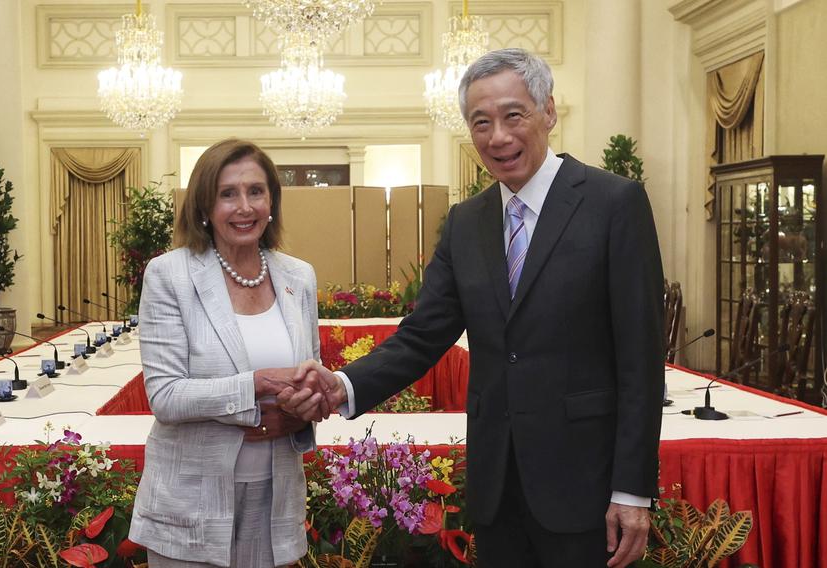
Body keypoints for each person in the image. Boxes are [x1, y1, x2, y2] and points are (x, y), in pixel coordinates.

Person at [281, 48, 665, 568]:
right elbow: (423, 335)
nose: (498, 137)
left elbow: (641, 362)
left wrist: (633, 492)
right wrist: (342, 386)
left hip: (586, 488)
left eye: (513, 115)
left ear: (548, 112)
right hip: (496, 488)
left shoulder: (613, 204)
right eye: (480, 122)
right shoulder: (466, 222)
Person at [129, 139, 322, 567]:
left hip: (275, 502)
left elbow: (310, 376)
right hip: (190, 505)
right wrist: (255, 389)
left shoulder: (298, 277)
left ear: (272, 200)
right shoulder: (169, 275)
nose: (244, 206)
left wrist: (305, 407)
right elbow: (165, 396)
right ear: (204, 205)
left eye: (256, 191)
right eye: (228, 193)